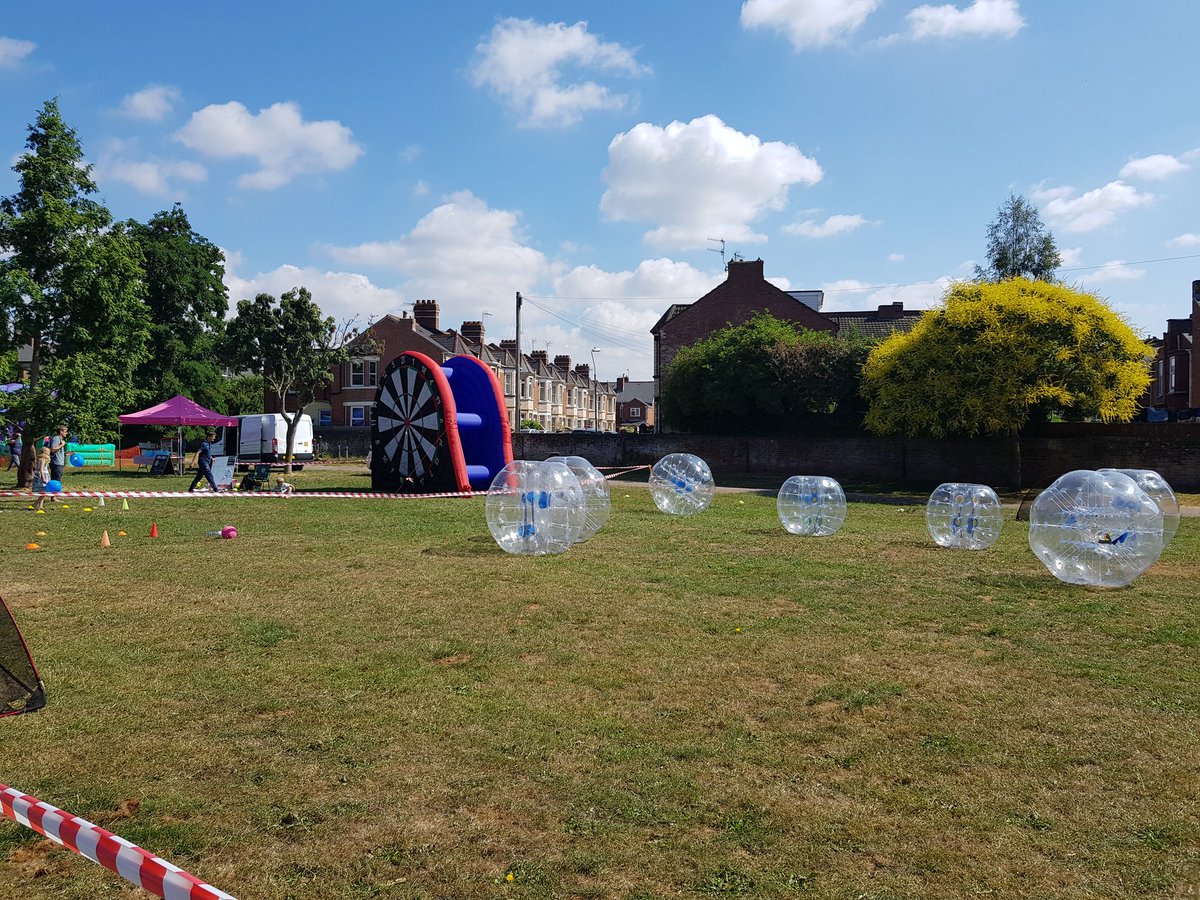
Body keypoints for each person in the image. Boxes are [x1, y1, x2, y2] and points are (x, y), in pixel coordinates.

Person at [32, 445, 51, 511]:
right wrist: (43, 478)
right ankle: (35, 504)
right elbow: (41, 469)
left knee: (43, 491)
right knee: (45, 491)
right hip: (42, 475)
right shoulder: (43, 459)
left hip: (40, 474)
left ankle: (41, 505)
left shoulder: (39, 458)